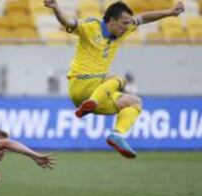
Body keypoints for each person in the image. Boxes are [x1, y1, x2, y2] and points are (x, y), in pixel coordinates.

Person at [44, 0, 185, 158]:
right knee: (119, 79)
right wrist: (56, 8)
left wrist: (171, 12)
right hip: (80, 84)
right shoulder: (91, 26)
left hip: (96, 93)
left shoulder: (123, 29)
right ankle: (92, 104)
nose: (126, 27)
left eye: (128, 24)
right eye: (123, 23)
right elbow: (68, 22)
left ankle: (116, 135)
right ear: (111, 20)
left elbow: (144, 18)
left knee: (135, 102)